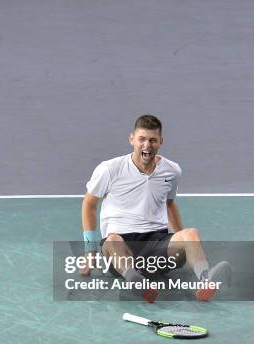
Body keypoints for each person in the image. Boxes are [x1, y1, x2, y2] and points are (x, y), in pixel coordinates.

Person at [80, 115, 231, 303]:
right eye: (142, 139)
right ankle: (134, 280)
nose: (147, 145)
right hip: (122, 245)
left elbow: (169, 204)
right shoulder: (110, 169)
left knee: (190, 234)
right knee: (112, 240)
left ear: (161, 142)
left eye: (152, 140)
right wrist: (90, 252)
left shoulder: (171, 170)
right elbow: (89, 204)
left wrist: (185, 246)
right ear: (132, 139)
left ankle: (205, 280)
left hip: (157, 244)